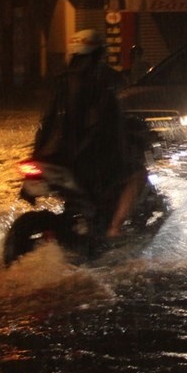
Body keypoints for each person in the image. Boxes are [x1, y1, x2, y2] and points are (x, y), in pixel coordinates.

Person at [32, 29, 147, 239]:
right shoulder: (103, 79)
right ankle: (115, 227)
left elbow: (45, 123)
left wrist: (37, 154)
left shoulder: (58, 82)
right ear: (99, 53)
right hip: (87, 159)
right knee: (137, 174)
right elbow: (110, 124)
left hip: (54, 158)